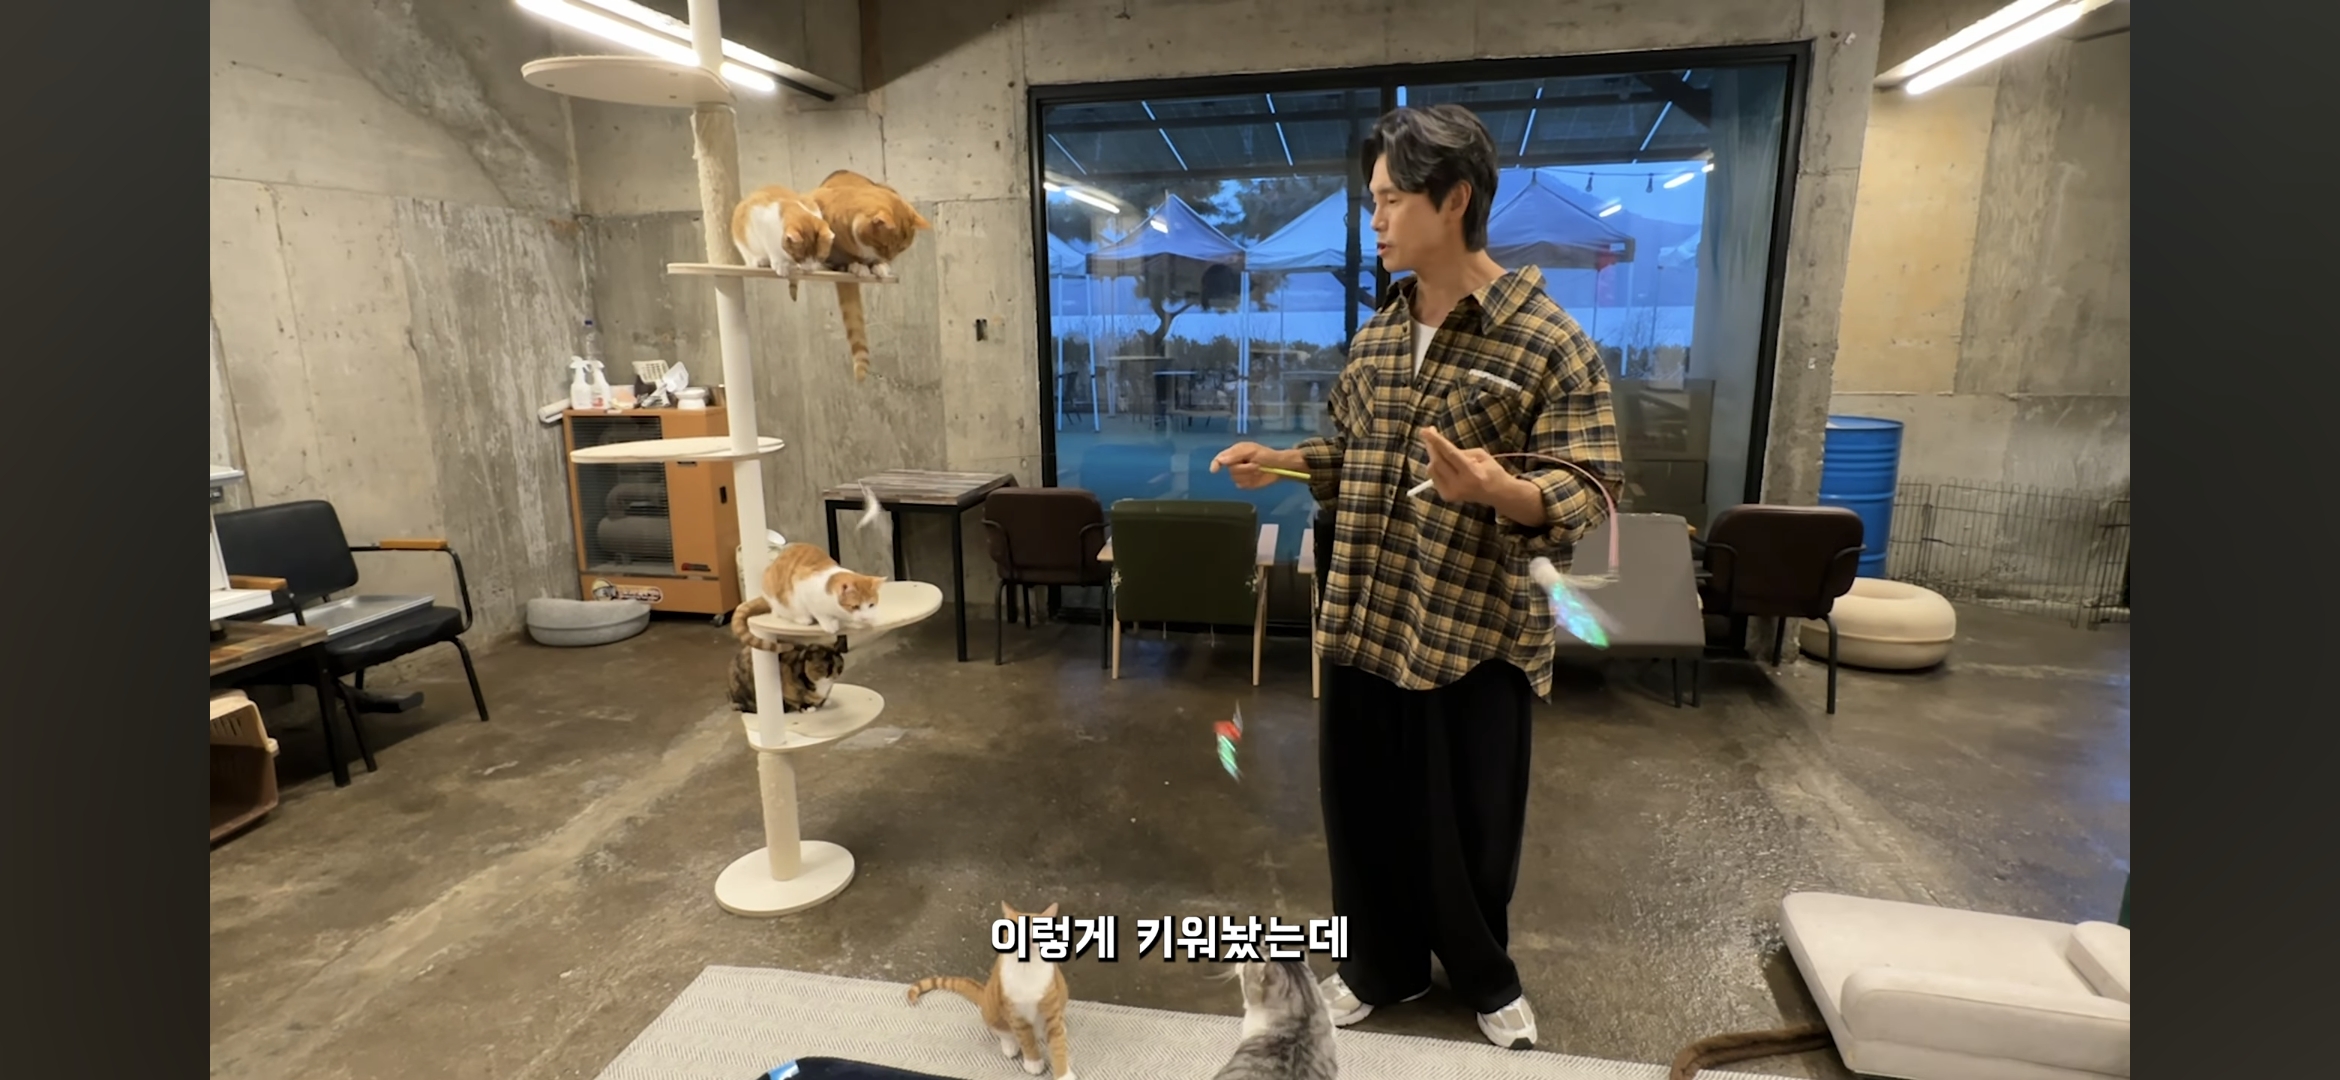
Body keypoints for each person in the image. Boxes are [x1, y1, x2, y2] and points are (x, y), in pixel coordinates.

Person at [1211, 104, 1623, 1052]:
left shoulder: (1546, 341)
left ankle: (1484, 975)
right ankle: (1378, 967)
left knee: (1469, 826)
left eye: (1392, 200)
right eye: (1374, 201)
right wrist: (1280, 461)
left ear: (1456, 199)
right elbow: (1353, 454)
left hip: (1473, 629)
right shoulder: (1378, 337)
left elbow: (1591, 490)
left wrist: (1500, 490)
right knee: (1361, 813)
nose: (1377, 220)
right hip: (1365, 614)